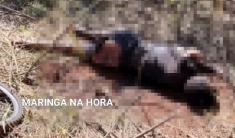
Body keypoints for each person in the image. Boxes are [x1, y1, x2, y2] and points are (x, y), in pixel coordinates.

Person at [14, 24, 219, 111]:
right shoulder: (176, 86)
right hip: (125, 59)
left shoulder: (181, 68)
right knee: (78, 49)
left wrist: (195, 59)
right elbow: (202, 69)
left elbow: (193, 56)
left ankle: (88, 35)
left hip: (130, 48)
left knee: (91, 46)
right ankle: (32, 42)